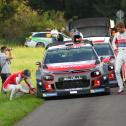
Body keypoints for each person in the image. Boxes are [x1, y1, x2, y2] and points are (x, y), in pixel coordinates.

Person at [112, 22, 126, 93]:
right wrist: (115, 48)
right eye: (117, 29)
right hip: (120, 52)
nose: (118, 30)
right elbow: (113, 42)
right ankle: (121, 87)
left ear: (123, 27)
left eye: (119, 29)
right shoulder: (117, 34)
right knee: (117, 71)